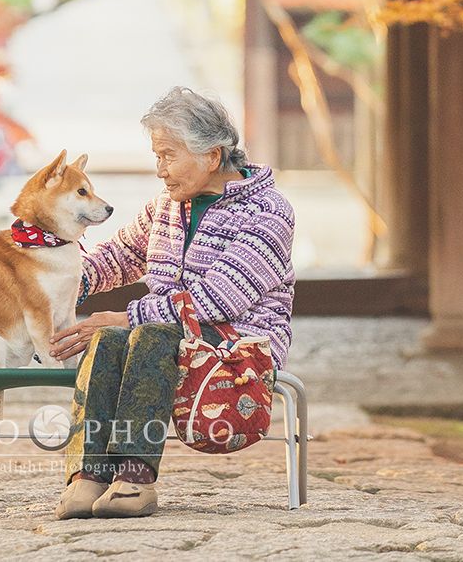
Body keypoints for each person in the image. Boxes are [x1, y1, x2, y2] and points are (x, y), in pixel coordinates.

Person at [51, 85, 294, 521]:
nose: (160, 170)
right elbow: (117, 257)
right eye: (157, 155)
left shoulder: (269, 212)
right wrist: (48, 276)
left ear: (212, 156)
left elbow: (219, 298)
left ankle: (134, 479)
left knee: (144, 333)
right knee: (112, 337)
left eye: (167, 155)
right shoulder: (166, 205)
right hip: (164, 341)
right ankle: (89, 476)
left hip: (238, 351)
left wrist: (126, 315)